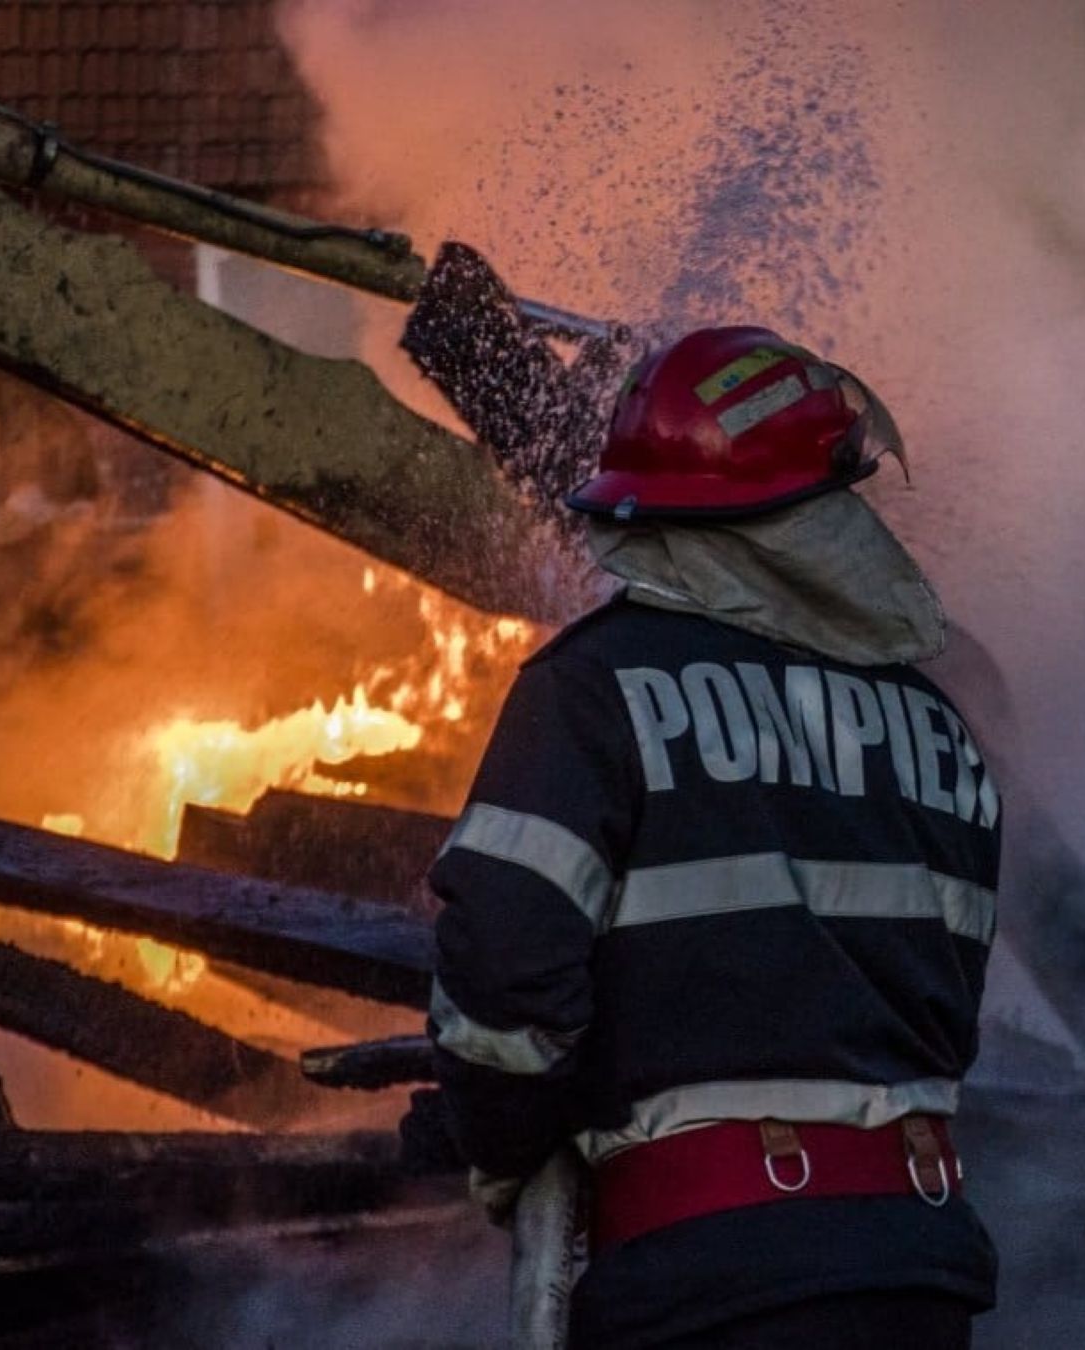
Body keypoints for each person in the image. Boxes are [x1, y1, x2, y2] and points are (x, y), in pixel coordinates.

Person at [424, 326, 1001, 1349]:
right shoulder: (940, 726)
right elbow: (944, 1011)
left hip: (705, 1282)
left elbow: (504, 977)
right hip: (919, 1272)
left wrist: (505, 1145)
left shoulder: (589, 690)